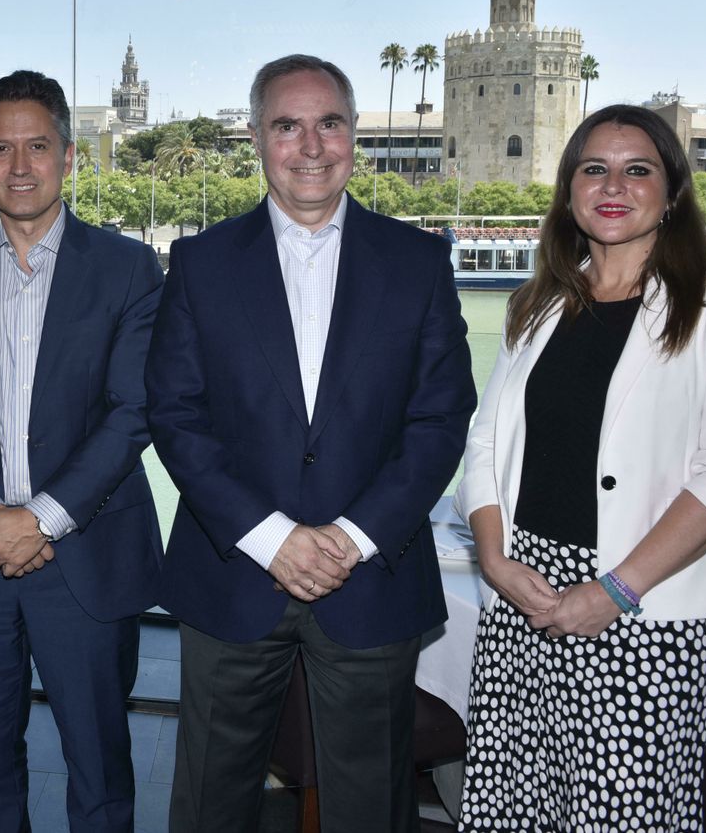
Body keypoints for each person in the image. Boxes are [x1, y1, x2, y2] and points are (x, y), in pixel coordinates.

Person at [147, 53, 476, 832]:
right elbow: (175, 415)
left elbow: (440, 419)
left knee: (372, 802)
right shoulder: (199, 263)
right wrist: (272, 540)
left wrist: (349, 540)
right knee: (210, 798)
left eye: (329, 122)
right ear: (258, 139)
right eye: (287, 126)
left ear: (353, 135)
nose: (311, 145)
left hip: (371, 577)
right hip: (233, 574)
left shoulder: (418, 261)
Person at [455, 104, 706, 831]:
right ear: (569, 189)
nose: (614, 185)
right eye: (593, 168)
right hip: (523, 602)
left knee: (623, 813)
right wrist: (495, 559)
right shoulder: (534, 304)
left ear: (673, 191)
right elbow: (486, 444)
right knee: (515, 806)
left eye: (639, 170)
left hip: (646, 611)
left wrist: (614, 592)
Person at [0, 70, 165, 832]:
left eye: (38, 146)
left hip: (85, 560)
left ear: (70, 157)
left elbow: (133, 409)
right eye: (0, 148)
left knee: (101, 768)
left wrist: (40, 520)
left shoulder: (128, 269)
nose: (20, 166)